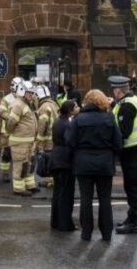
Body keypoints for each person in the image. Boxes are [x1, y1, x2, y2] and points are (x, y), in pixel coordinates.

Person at [66, 89, 122, 241]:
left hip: (83, 163)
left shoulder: (79, 119)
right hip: (104, 162)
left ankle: (86, 232)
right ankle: (106, 233)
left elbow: (69, 140)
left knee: (85, 198)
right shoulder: (109, 118)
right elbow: (118, 143)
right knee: (105, 198)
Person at [108, 75, 137, 235]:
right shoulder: (132, 100)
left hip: (130, 151)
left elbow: (124, 131)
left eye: (114, 90)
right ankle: (131, 219)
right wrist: (114, 104)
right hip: (136, 149)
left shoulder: (127, 107)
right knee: (132, 185)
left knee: (132, 186)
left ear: (118, 90)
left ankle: (134, 222)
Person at [50, 99, 79, 232]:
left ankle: (55, 221)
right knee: (66, 194)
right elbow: (70, 141)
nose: (78, 108)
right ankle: (65, 224)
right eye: (76, 107)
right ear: (70, 111)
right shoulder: (68, 123)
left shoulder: (58, 121)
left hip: (56, 158)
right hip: (65, 160)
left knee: (58, 192)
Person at [6, 80, 38, 196]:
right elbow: (10, 122)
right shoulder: (18, 105)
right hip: (20, 142)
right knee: (20, 165)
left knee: (29, 164)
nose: (31, 95)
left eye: (32, 93)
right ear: (22, 91)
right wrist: (10, 132)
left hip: (28, 141)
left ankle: (30, 185)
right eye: (29, 93)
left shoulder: (26, 104)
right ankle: (19, 189)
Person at [0, 76, 24, 184]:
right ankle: (4, 173)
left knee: (21, 154)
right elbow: (2, 111)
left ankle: (20, 174)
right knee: (6, 153)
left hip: (20, 131)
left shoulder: (24, 98)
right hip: (7, 131)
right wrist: (11, 118)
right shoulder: (7, 99)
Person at [34, 84, 57, 188]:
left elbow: (42, 125)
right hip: (55, 138)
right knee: (53, 160)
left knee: (48, 161)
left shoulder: (43, 107)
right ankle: (52, 180)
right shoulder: (54, 105)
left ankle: (50, 181)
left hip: (48, 139)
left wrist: (38, 142)